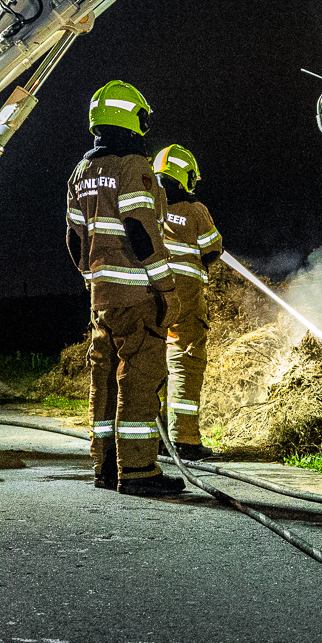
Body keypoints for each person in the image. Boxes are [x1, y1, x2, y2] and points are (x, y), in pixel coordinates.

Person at [65, 80, 185, 497]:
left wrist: (90, 275)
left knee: (103, 379)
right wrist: (165, 286)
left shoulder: (81, 172)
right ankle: (137, 472)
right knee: (138, 378)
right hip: (137, 295)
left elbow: (74, 236)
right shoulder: (133, 166)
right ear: (130, 118)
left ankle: (105, 467)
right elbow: (139, 227)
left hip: (101, 299)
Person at [153, 144, 222, 461]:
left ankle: (151, 437)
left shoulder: (146, 209)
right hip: (185, 298)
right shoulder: (196, 211)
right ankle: (184, 441)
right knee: (185, 360)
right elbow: (213, 248)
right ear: (185, 177)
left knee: (147, 363)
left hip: (150, 294)